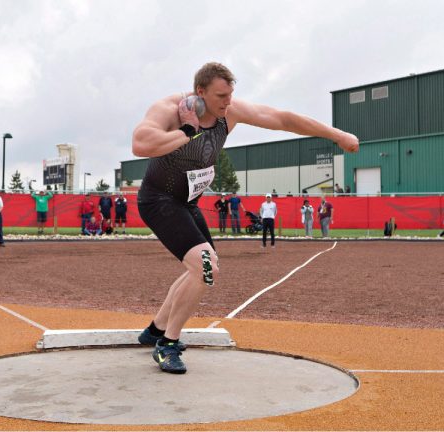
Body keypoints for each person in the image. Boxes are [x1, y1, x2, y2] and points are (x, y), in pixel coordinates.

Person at [131, 62, 359, 374]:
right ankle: (167, 344)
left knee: (203, 268)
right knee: (204, 265)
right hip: (158, 198)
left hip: (187, 201)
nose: (228, 102)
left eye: (231, 94)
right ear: (200, 92)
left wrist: (336, 134)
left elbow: (281, 119)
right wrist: (186, 130)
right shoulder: (170, 110)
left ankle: (155, 330)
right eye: (221, 95)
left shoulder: (230, 112)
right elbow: (140, 143)